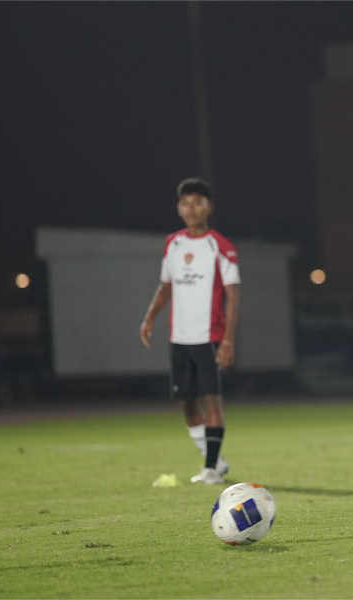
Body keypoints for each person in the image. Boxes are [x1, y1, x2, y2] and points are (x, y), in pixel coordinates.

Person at [140, 177, 240, 485]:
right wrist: (150, 317)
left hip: (209, 336)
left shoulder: (220, 246)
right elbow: (167, 284)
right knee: (186, 402)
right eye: (186, 203)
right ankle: (215, 460)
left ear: (208, 207)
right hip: (179, 336)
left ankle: (210, 468)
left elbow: (233, 294)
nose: (191, 208)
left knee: (211, 398)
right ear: (179, 208)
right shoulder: (173, 243)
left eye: (198, 202)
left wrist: (227, 341)